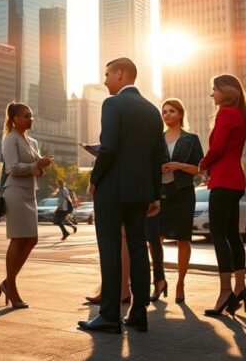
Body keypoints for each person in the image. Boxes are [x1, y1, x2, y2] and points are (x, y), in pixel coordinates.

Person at [79, 57, 167, 335]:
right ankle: (139, 314)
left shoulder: (112, 104)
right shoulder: (153, 110)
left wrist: (94, 180)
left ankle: (109, 316)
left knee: (110, 247)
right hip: (141, 191)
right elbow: (158, 156)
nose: (104, 80)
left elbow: (109, 148)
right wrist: (155, 195)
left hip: (113, 189)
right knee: (139, 249)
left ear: (120, 74)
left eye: (107, 74)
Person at [199, 74, 246, 317]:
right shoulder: (240, 115)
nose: (212, 94)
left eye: (215, 89)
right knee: (233, 235)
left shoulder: (226, 112)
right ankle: (240, 288)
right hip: (236, 179)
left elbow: (218, 148)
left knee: (218, 234)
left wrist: (203, 165)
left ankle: (225, 292)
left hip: (223, 179)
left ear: (227, 90)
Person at [0, 102, 51, 309]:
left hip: (30, 193)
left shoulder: (32, 141)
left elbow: (37, 170)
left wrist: (41, 166)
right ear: (15, 119)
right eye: (26, 116)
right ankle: (11, 286)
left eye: (31, 115)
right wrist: (35, 165)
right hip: (15, 192)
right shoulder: (9, 139)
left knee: (32, 239)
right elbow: (12, 168)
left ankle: (7, 282)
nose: (31, 119)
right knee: (18, 239)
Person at [155, 98, 204, 303]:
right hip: (161, 193)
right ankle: (159, 280)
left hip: (183, 194)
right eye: (164, 112)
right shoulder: (156, 139)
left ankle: (181, 283)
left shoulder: (191, 139)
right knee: (155, 238)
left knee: (183, 239)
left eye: (171, 111)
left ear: (180, 114)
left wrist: (179, 165)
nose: (167, 115)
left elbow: (200, 169)